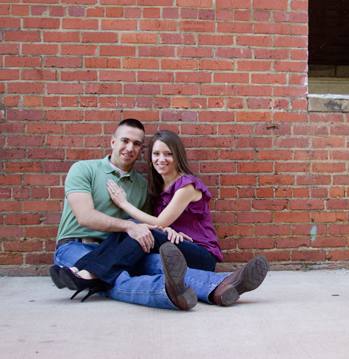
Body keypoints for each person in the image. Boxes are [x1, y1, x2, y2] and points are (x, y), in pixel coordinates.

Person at [51, 119, 268, 311]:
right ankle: (217, 286)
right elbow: (85, 217)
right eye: (125, 140)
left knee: (147, 260)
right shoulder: (84, 169)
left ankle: (89, 275)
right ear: (112, 142)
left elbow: (152, 226)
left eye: (136, 144)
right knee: (142, 265)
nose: (129, 148)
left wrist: (136, 215)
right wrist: (134, 226)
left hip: (133, 249)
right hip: (77, 247)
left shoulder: (152, 186)